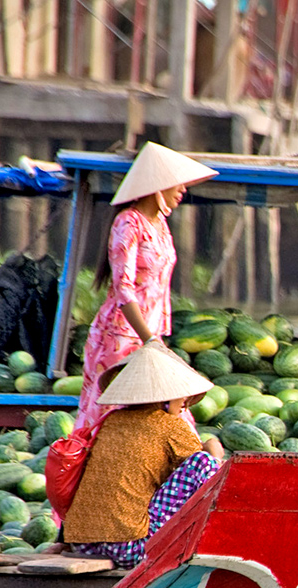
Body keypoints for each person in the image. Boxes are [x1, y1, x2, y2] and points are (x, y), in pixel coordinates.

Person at [78, 143, 217, 431]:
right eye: (177, 184)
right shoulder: (128, 223)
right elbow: (123, 289)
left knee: (174, 414)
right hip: (121, 337)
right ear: (157, 186)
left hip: (150, 337)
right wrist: (148, 338)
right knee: (108, 418)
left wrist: (155, 339)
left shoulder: (161, 225)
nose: (182, 191)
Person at [64, 342, 225, 568]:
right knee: (204, 462)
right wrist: (214, 450)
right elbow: (198, 470)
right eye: (183, 397)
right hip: (128, 546)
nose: (186, 403)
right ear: (166, 397)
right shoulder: (170, 426)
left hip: (84, 543)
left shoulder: (111, 421)